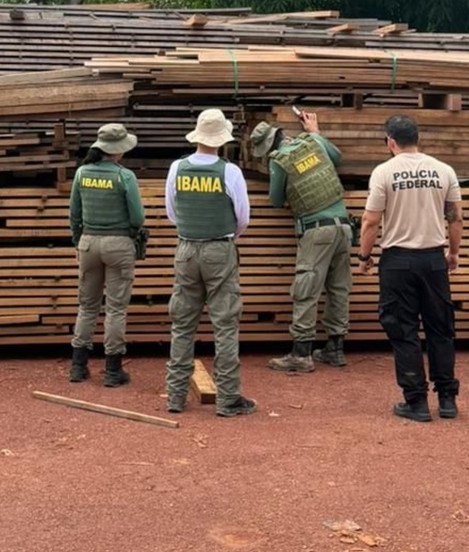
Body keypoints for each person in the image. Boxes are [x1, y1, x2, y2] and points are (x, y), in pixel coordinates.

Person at [358, 115, 463, 422]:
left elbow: (371, 220)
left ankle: (415, 401)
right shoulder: (444, 170)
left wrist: (364, 257)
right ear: (418, 138)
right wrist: (453, 253)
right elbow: (455, 218)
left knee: (403, 331)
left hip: (398, 261)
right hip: (433, 259)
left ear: (390, 141)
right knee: (441, 329)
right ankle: (447, 399)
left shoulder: (384, 172)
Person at [164, 109, 256, 417]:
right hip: (220, 247)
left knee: (182, 324)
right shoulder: (229, 172)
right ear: (222, 138)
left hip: (186, 249)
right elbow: (243, 217)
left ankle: (175, 396)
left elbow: (172, 212)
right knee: (225, 325)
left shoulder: (177, 167)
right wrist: (227, 235)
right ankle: (228, 399)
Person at [249, 113, 352, 373]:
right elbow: (338, 157)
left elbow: (275, 199)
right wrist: (315, 131)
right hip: (344, 226)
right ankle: (335, 349)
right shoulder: (314, 142)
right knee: (338, 288)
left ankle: (301, 353)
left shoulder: (279, 160)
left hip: (316, 232)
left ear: (269, 147)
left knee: (306, 289)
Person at [68, 123, 144, 387]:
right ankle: (113, 370)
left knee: (87, 306)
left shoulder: (81, 173)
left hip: (88, 243)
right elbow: (138, 216)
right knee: (115, 308)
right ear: (118, 150)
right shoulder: (125, 177)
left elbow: (74, 214)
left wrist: (79, 242)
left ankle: (78, 366)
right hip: (119, 244)